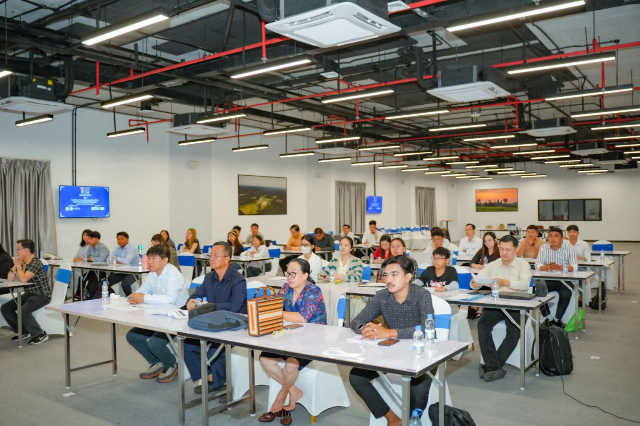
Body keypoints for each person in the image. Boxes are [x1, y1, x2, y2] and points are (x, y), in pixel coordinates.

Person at [349, 255, 435, 426]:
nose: (388, 280)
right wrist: (364, 329)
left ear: (408, 276)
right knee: (356, 377)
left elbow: (427, 330)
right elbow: (356, 321)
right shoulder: (382, 296)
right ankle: (392, 418)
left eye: (394, 275)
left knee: (417, 391)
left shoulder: (422, 295)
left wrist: (388, 333)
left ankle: (412, 421)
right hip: (392, 350)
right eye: (386, 275)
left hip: (421, 352)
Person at [258, 259, 327, 423]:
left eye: (294, 273)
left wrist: (276, 312)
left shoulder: (314, 291)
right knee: (265, 359)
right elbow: (273, 304)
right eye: (288, 273)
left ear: (305, 275)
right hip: (290, 336)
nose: (289, 277)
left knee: (291, 364)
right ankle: (294, 390)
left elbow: (302, 318)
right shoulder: (285, 288)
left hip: (312, 339)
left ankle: (282, 395)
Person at [183, 242, 247, 395]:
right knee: (187, 345)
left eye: (216, 256)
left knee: (215, 348)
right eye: (210, 255)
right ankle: (210, 378)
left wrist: (209, 306)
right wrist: (191, 301)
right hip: (212, 320)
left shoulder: (238, 280)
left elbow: (234, 307)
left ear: (227, 259)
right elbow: (197, 294)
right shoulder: (209, 277)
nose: (211, 258)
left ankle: (223, 383)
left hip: (233, 323)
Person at [472, 235, 533, 382]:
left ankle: (492, 366)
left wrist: (505, 282)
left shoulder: (523, 265)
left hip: (517, 304)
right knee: (482, 325)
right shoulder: (493, 265)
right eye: (502, 249)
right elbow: (477, 279)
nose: (504, 252)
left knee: (515, 329)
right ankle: (493, 366)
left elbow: (525, 284)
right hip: (496, 303)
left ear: (516, 249)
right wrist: (475, 283)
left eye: (508, 250)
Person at [125, 244, 189, 383]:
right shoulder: (153, 273)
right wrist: (135, 295)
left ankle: (172, 364)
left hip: (177, 316)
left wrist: (144, 298)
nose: (149, 262)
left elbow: (170, 299)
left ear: (165, 260)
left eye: (154, 258)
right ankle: (157, 362)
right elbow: (145, 289)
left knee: (155, 343)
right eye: (148, 258)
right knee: (132, 336)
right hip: (159, 314)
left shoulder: (173, 274)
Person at [1, 239, 51, 345]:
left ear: (26, 250)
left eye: (18, 249)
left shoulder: (35, 262)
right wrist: (15, 266)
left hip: (41, 295)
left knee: (23, 311)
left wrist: (19, 266)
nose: (17, 252)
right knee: (6, 308)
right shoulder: (22, 262)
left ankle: (40, 334)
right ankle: (24, 331)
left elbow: (23, 279)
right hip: (29, 294)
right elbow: (10, 279)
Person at [535, 228, 578, 328]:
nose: (552, 239)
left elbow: (574, 266)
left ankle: (558, 318)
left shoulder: (569, 247)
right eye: (550, 236)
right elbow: (538, 264)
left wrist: (560, 268)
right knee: (536, 290)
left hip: (564, 280)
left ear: (562, 239)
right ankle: (548, 318)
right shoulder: (544, 247)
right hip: (547, 279)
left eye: (556, 236)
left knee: (566, 292)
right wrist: (545, 267)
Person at [79, 231, 110, 299]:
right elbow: (85, 255)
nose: (88, 240)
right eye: (88, 238)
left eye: (91, 238)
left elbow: (101, 259)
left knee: (93, 281)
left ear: (97, 239)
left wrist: (90, 258)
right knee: (82, 277)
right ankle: (79, 296)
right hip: (94, 269)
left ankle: (90, 298)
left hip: (103, 271)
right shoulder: (90, 247)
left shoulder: (103, 247)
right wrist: (84, 256)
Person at [107, 231, 139, 296]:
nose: (120, 241)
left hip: (133, 272)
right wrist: (119, 260)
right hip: (122, 272)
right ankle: (111, 298)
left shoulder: (131, 248)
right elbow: (108, 260)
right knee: (108, 281)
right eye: (118, 239)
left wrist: (116, 258)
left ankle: (130, 299)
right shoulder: (117, 248)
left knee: (125, 284)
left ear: (127, 239)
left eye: (122, 239)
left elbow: (127, 261)